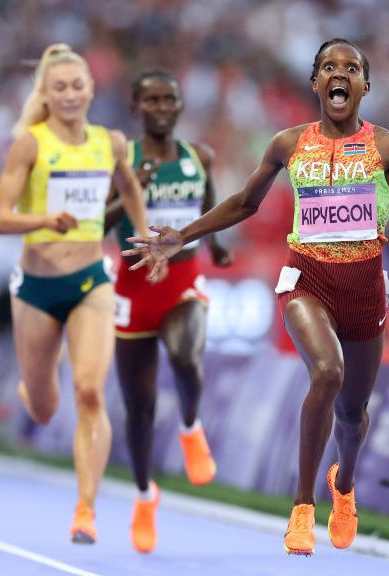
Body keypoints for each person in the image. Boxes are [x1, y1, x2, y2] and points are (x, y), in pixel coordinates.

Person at [125, 38, 389, 556]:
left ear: (365, 85)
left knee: (353, 413)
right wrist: (182, 236)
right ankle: (302, 507)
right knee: (326, 372)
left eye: (350, 68)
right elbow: (243, 203)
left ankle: (344, 486)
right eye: (327, 67)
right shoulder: (287, 143)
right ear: (316, 83)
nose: (338, 74)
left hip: (365, 290)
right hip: (307, 280)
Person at [0, 43, 151, 544]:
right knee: (43, 407)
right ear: (46, 94)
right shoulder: (30, 144)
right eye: (59, 87)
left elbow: (129, 188)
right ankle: (31, 389)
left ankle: (86, 509)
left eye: (77, 85)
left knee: (89, 391)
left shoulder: (110, 142)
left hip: (89, 283)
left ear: (91, 89)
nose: (70, 94)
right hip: (36, 288)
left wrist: (143, 239)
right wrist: (43, 219)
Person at [104, 70, 231, 554]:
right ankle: (143, 495)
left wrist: (215, 244)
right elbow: (97, 223)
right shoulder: (122, 159)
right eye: (151, 99)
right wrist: (127, 191)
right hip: (133, 288)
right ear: (135, 106)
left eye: (169, 99)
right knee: (138, 409)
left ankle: (190, 427)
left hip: (181, 278)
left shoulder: (199, 157)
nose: (161, 106)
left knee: (185, 355)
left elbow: (211, 201)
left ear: (180, 106)